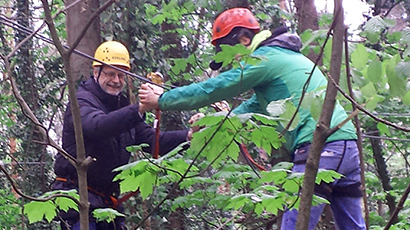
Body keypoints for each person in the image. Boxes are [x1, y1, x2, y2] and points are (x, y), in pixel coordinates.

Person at [138, 7, 365, 230]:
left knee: (294, 225)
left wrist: (162, 99)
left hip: (319, 146)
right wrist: (210, 123)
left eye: (229, 53)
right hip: (347, 145)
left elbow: (214, 88)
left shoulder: (264, 59)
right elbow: (248, 111)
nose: (232, 63)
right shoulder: (282, 59)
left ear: (245, 40)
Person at [53, 41, 196, 230]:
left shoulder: (122, 106)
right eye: (110, 74)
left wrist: (189, 135)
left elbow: (153, 141)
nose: (116, 80)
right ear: (96, 72)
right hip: (78, 199)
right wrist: (139, 109)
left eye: (121, 75)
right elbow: (98, 126)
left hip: (108, 203)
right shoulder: (81, 100)